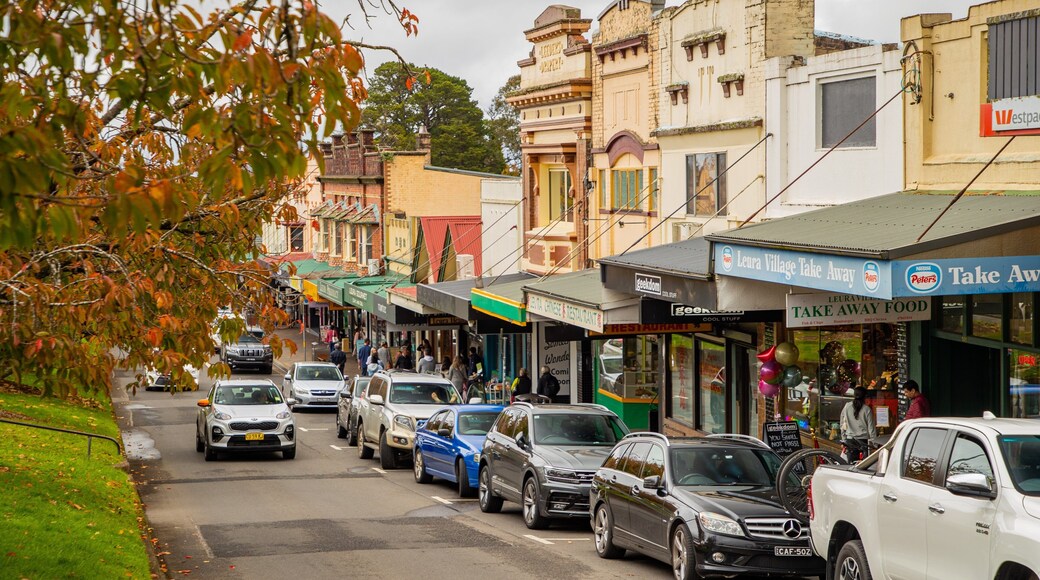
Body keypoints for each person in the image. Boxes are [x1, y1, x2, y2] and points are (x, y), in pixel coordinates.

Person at [840, 386, 878, 461]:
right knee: (863, 466)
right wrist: (874, 444)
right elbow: (871, 429)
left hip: (850, 440)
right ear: (865, 397)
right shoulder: (867, 409)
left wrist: (844, 439)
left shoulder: (847, 406)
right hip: (863, 442)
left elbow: (842, 424)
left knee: (851, 465)